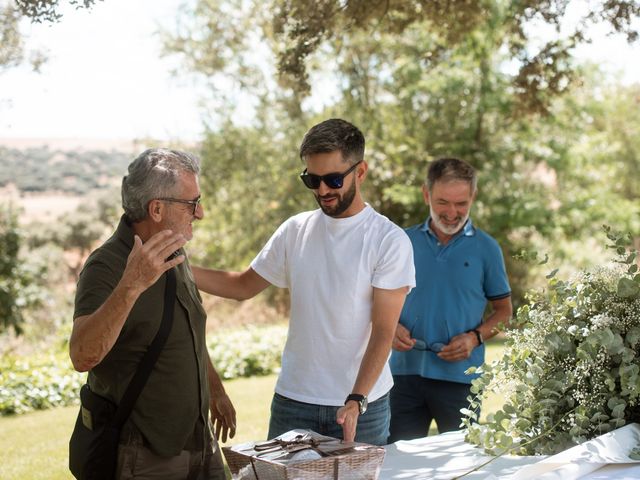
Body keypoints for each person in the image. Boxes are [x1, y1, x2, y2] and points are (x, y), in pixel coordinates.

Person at [192, 118, 415, 445]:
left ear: (361, 172)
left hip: (361, 405)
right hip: (293, 401)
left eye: (333, 179)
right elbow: (242, 286)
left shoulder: (389, 240)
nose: (322, 190)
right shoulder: (295, 231)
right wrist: (177, 265)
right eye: (312, 179)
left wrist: (357, 399)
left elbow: (383, 330)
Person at [69, 148, 236, 480]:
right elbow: (81, 355)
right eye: (191, 203)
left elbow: (188, 331)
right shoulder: (106, 266)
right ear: (156, 208)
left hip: (201, 440)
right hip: (146, 455)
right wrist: (132, 285)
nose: (200, 213)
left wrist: (215, 389)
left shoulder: (175, 251)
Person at [388, 157, 512, 442]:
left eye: (461, 203)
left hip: (461, 381)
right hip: (401, 377)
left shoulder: (487, 249)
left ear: (473, 197)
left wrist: (474, 338)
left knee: (460, 466)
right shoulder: (401, 243)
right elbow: (374, 301)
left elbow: (504, 312)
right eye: (443, 202)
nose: (452, 213)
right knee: (397, 464)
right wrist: (390, 326)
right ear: (426, 194)